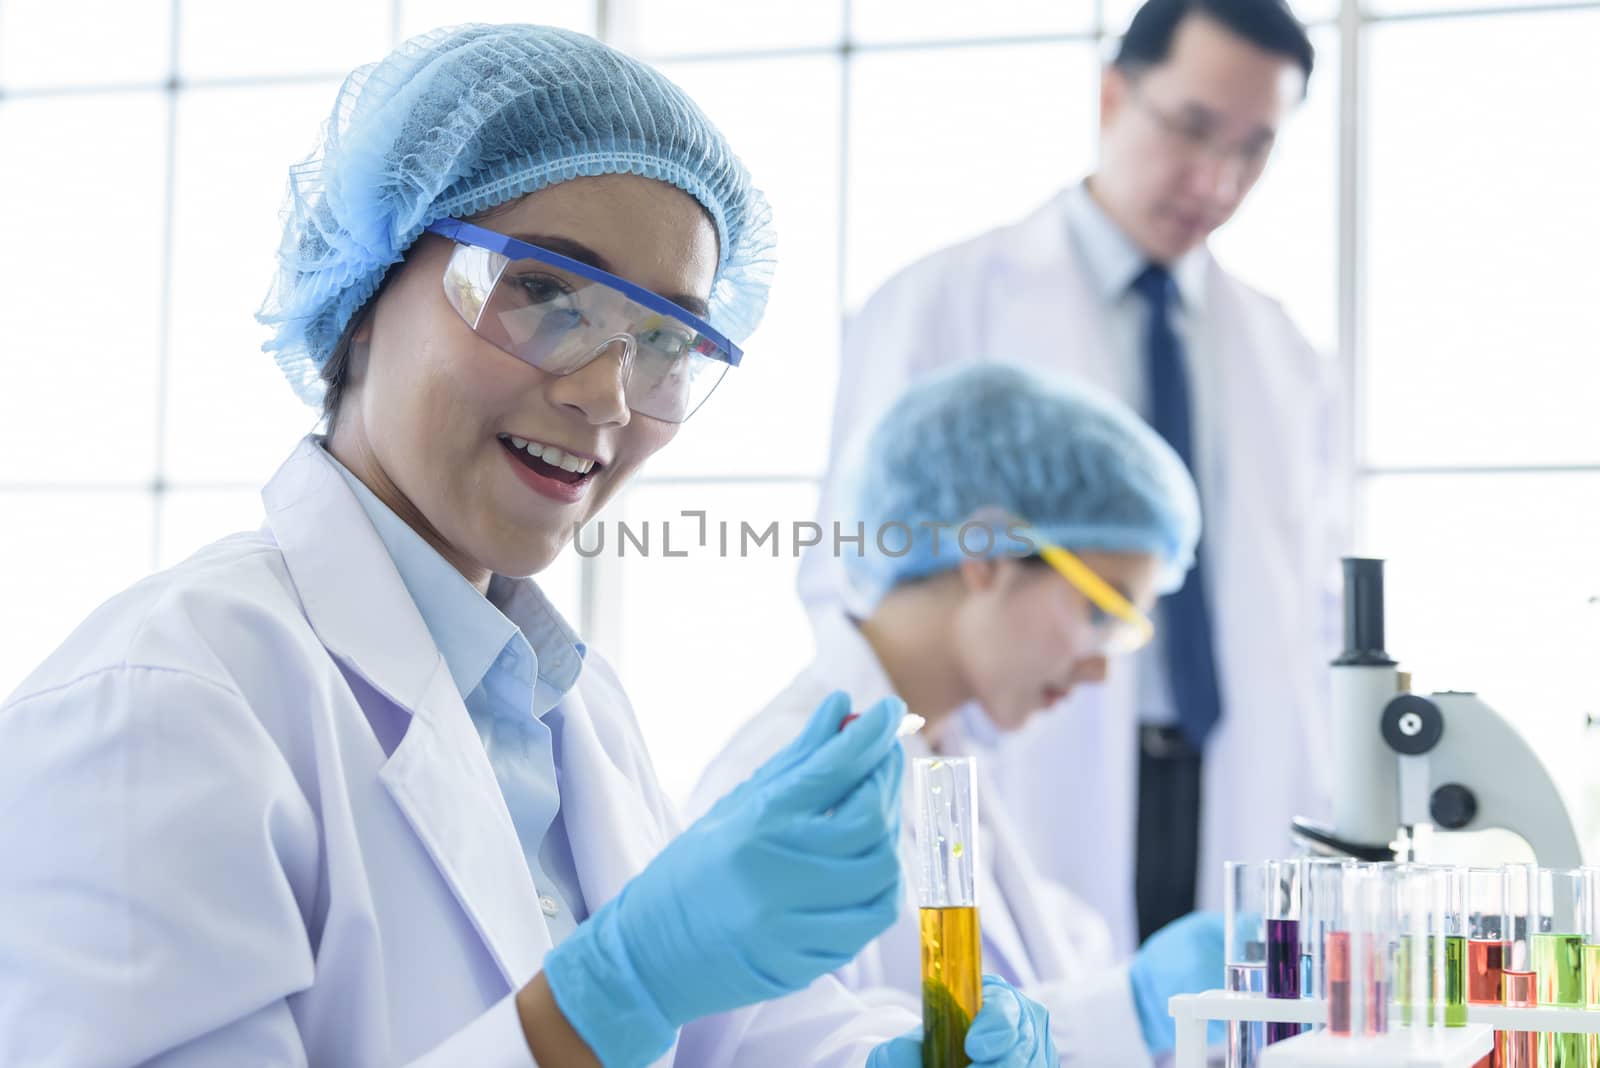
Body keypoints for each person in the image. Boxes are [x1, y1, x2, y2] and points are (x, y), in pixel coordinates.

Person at [0, 26, 1058, 1068]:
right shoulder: (163, 700)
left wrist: (886, 1055)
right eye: (544, 292)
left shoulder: (575, 709)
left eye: (662, 340)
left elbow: (715, 1038)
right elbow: (629, 998)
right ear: (367, 294)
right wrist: (606, 999)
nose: (605, 394)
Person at [797, 0, 1346, 951]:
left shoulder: (1284, 353)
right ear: (1112, 94)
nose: (1215, 179)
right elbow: (855, 564)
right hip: (1022, 775)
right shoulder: (949, 300)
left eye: (1254, 150)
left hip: (1235, 781)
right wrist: (928, 776)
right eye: (1191, 126)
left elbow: (1318, 608)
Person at [694, 363, 1224, 1064]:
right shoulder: (787, 772)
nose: (1102, 666)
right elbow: (769, 1046)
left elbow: (1034, 983)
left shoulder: (940, 751)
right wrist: (1128, 1007)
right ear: (986, 552)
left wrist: (1144, 999)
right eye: (1102, 610)